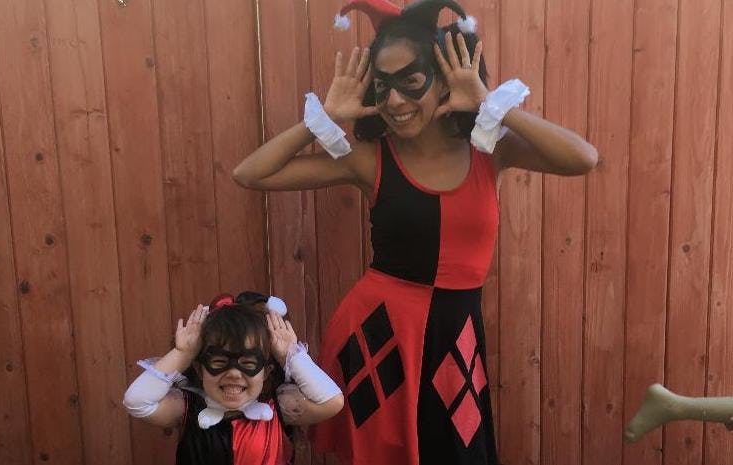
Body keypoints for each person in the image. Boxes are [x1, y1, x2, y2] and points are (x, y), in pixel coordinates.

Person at [232, 0, 597, 463]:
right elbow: (250, 174)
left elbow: (583, 158)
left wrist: (489, 102)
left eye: (411, 82)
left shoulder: (488, 150)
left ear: (443, 80)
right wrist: (323, 117)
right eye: (383, 86)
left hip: (456, 330)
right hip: (381, 335)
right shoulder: (371, 159)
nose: (395, 102)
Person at [122, 292, 344, 465]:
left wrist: (290, 355)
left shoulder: (279, 408)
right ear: (200, 369)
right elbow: (136, 401)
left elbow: (332, 401)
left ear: (265, 372)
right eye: (219, 362)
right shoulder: (187, 408)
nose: (234, 373)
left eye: (248, 363)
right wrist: (183, 354)